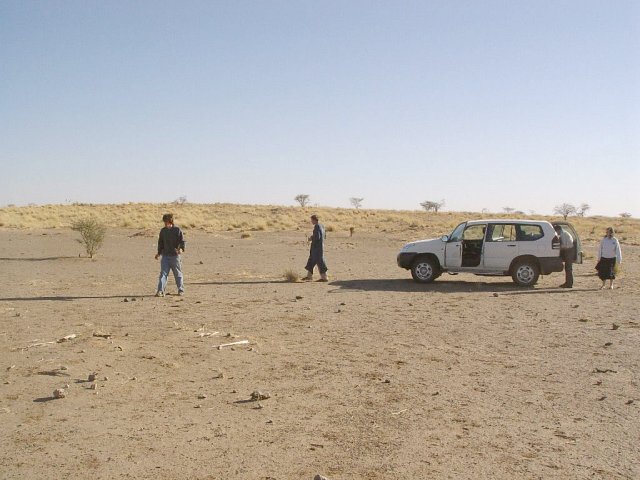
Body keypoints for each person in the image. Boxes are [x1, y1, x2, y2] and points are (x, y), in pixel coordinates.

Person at [155, 213, 186, 296]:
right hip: (165, 256)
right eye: (165, 222)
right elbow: (160, 243)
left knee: (178, 274)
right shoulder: (163, 231)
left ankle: (181, 290)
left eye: (167, 222)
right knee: (163, 274)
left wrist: (181, 249)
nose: (166, 224)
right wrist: (158, 253)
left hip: (175, 257)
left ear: (171, 221)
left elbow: (182, 242)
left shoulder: (177, 230)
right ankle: (160, 291)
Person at [303, 214, 328, 282]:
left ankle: (324, 278)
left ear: (314, 220)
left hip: (316, 248)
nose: (311, 222)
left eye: (311, 220)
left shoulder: (317, 226)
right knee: (311, 260)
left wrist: (311, 238)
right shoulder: (322, 226)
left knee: (320, 262)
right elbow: (324, 236)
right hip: (319, 247)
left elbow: (317, 237)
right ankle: (309, 276)